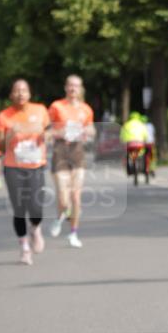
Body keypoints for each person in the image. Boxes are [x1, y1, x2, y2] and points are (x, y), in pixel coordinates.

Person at [0, 79, 50, 265]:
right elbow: (0, 146)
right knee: (18, 208)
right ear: (11, 95)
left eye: (24, 90)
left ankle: (35, 227)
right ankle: (24, 247)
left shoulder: (40, 110)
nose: (20, 93)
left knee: (35, 206)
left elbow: (49, 132)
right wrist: (11, 133)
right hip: (13, 166)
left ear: (29, 93)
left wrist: (45, 135)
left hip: (35, 165)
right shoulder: (4, 116)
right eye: (16, 90)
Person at [48, 75, 95, 248]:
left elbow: (92, 128)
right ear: (65, 87)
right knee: (63, 197)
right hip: (60, 153)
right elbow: (47, 130)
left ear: (81, 89)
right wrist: (61, 133)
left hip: (77, 153)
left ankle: (73, 233)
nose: (73, 89)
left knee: (76, 197)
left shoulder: (86, 109)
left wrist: (87, 131)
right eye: (70, 85)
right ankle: (60, 216)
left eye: (76, 86)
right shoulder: (56, 106)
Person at [120, 111, 149, 176]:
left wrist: (123, 141)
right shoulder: (141, 124)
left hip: (130, 144)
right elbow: (146, 135)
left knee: (127, 155)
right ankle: (145, 168)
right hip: (140, 144)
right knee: (144, 154)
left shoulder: (127, 124)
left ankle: (128, 170)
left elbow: (122, 135)